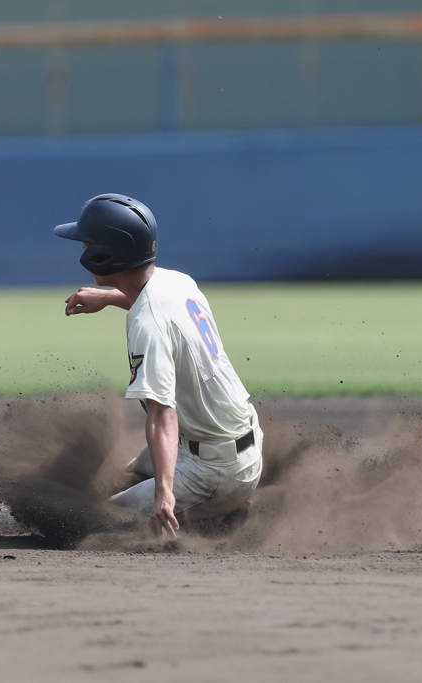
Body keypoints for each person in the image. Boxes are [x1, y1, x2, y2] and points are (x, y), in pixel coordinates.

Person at [53, 193, 262, 538]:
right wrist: (107, 297)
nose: (82, 249)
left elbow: (162, 414)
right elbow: (154, 306)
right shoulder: (177, 281)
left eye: (86, 243)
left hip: (216, 472)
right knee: (125, 476)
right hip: (235, 444)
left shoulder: (147, 325)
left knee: (92, 522)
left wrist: (164, 494)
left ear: (104, 255)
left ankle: (211, 514)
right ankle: (208, 506)